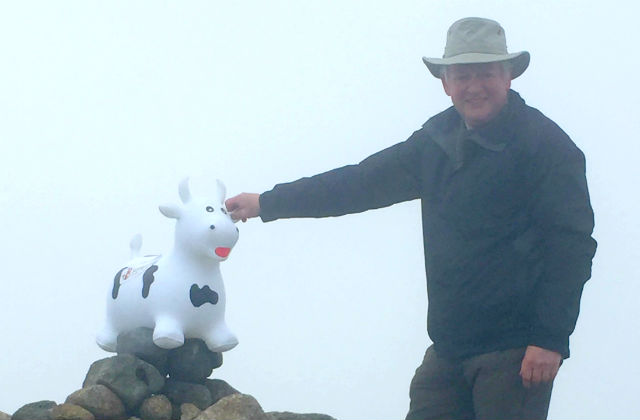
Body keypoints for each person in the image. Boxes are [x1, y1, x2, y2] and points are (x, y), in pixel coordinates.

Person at [225, 17, 597, 420]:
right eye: (462, 75)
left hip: (515, 353)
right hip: (448, 349)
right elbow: (360, 183)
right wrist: (267, 202)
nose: (474, 86)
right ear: (445, 83)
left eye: (486, 73)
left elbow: (572, 246)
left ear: (508, 76)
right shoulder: (436, 141)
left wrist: (550, 339)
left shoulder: (546, 146)